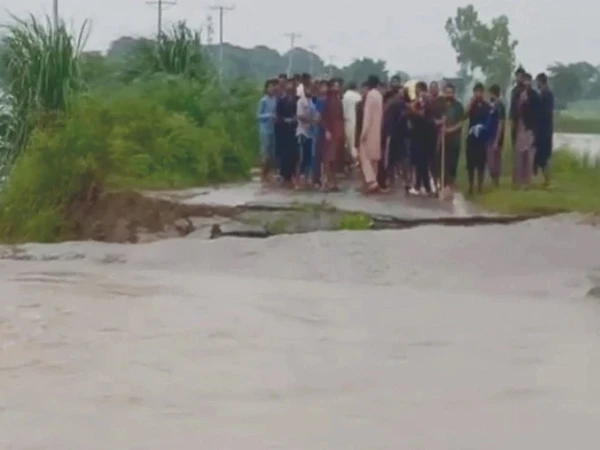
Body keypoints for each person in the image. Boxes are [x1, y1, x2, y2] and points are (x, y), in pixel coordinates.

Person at [513, 73, 540, 188]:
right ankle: (518, 180)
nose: (525, 83)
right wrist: (521, 101)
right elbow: (517, 110)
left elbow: (537, 112)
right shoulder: (519, 93)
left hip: (530, 128)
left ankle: (527, 182)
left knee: (529, 156)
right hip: (521, 126)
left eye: (527, 80)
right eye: (524, 81)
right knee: (520, 154)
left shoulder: (534, 95)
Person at [408, 81, 434, 195]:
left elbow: (420, 113)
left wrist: (414, 106)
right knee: (420, 163)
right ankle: (420, 185)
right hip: (420, 134)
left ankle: (425, 187)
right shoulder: (424, 101)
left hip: (423, 135)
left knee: (422, 162)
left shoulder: (425, 101)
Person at [359, 75, 383, 194]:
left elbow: (367, 116)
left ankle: (371, 181)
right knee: (374, 158)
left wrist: (363, 133)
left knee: (365, 156)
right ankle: (374, 181)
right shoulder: (379, 95)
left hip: (369, 130)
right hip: (377, 129)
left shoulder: (370, 95)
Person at [465, 82, 491, 195]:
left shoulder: (486, 106)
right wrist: (471, 103)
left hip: (482, 137)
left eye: (480, 92)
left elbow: (490, 119)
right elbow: (464, 115)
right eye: (476, 92)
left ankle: (480, 186)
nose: (478, 94)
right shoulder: (472, 105)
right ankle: (471, 186)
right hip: (472, 137)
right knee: (470, 163)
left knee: (481, 163)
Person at [321, 78, 345, 190]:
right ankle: (328, 181)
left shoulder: (338, 100)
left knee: (335, 159)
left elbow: (341, 117)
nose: (337, 88)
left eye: (338, 86)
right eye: (335, 86)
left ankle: (334, 182)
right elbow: (323, 118)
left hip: (338, 131)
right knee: (328, 158)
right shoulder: (327, 100)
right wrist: (327, 130)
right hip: (331, 131)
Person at [441, 83, 464, 192]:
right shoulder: (441, 105)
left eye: (451, 92)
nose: (449, 94)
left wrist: (449, 130)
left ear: (454, 93)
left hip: (454, 138)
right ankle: (443, 183)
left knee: (453, 161)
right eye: (447, 92)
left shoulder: (458, 106)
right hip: (442, 139)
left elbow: (460, 123)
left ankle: (452, 182)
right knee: (444, 161)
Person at [276, 78, 299, 186]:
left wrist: (296, 119)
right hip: (284, 131)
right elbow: (278, 117)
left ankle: (292, 174)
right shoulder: (281, 101)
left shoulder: (297, 100)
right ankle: (284, 175)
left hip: (295, 130)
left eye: (292, 86)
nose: (290, 88)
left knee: (294, 154)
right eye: (288, 85)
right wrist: (285, 120)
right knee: (285, 154)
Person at [256, 79, 278, 183]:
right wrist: (269, 115)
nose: (272, 89)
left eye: (273, 86)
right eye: (270, 87)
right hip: (265, 129)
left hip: (274, 129)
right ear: (266, 88)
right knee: (265, 153)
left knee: (272, 153)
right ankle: (262, 174)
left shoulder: (276, 100)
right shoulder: (263, 101)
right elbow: (258, 115)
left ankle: (270, 174)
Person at [534, 72, 554, 186]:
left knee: (545, 156)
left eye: (537, 81)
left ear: (541, 81)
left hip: (545, 130)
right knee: (541, 156)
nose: (537, 84)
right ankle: (546, 179)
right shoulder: (543, 94)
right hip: (542, 129)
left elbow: (546, 113)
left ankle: (548, 180)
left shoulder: (547, 95)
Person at [484, 84, 506, 187]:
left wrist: (497, 140)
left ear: (493, 93)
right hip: (489, 136)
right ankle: (494, 181)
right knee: (490, 159)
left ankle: (496, 181)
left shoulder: (500, 106)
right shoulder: (492, 106)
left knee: (494, 160)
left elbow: (501, 123)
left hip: (495, 137)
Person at [296, 82, 316, 188]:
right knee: (301, 157)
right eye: (308, 88)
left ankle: (307, 178)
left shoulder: (311, 101)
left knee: (309, 157)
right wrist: (311, 121)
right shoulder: (301, 101)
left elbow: (315, 114)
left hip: (311, 133)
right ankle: (299, 179)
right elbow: (300, 116)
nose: (310, 90)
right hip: (302, 132)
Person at [428, 81, 446, 190]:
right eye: (431, 87)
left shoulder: (441, 101)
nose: (433, 89)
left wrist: (441, 122)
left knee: (438, 156)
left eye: (435, 87)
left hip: (438, 132)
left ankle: (439, 181)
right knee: (430, 159)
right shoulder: (428, 101)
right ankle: (433, 181)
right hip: (428, 132)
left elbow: (444, 115)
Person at [311, 80, 328, 187]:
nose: (324, 89)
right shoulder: (318, 101)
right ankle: (316, 178)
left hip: (326, 130)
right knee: (317, 155)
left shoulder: (328, 101)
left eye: (325, 86)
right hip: (318, 130)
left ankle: (325, 178)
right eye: (322, 86)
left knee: (326, 155)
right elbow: (317, 117)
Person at [342, 81, 362, 163]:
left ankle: (351, 160)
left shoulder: (345, 96)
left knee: (349, 142)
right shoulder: (359, 96)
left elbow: (343, 111)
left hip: (348, 122)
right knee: (355, 141)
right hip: (357, 122)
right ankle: (357, 160)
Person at [509, 67, 526, 147]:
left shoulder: (526, 90)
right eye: (517, 76)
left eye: (521, 76)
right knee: (514, 141)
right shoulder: (514, 90)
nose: (519, 78)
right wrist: (511, 119)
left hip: (523, 120)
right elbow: (512, 107)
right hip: (515, 119)